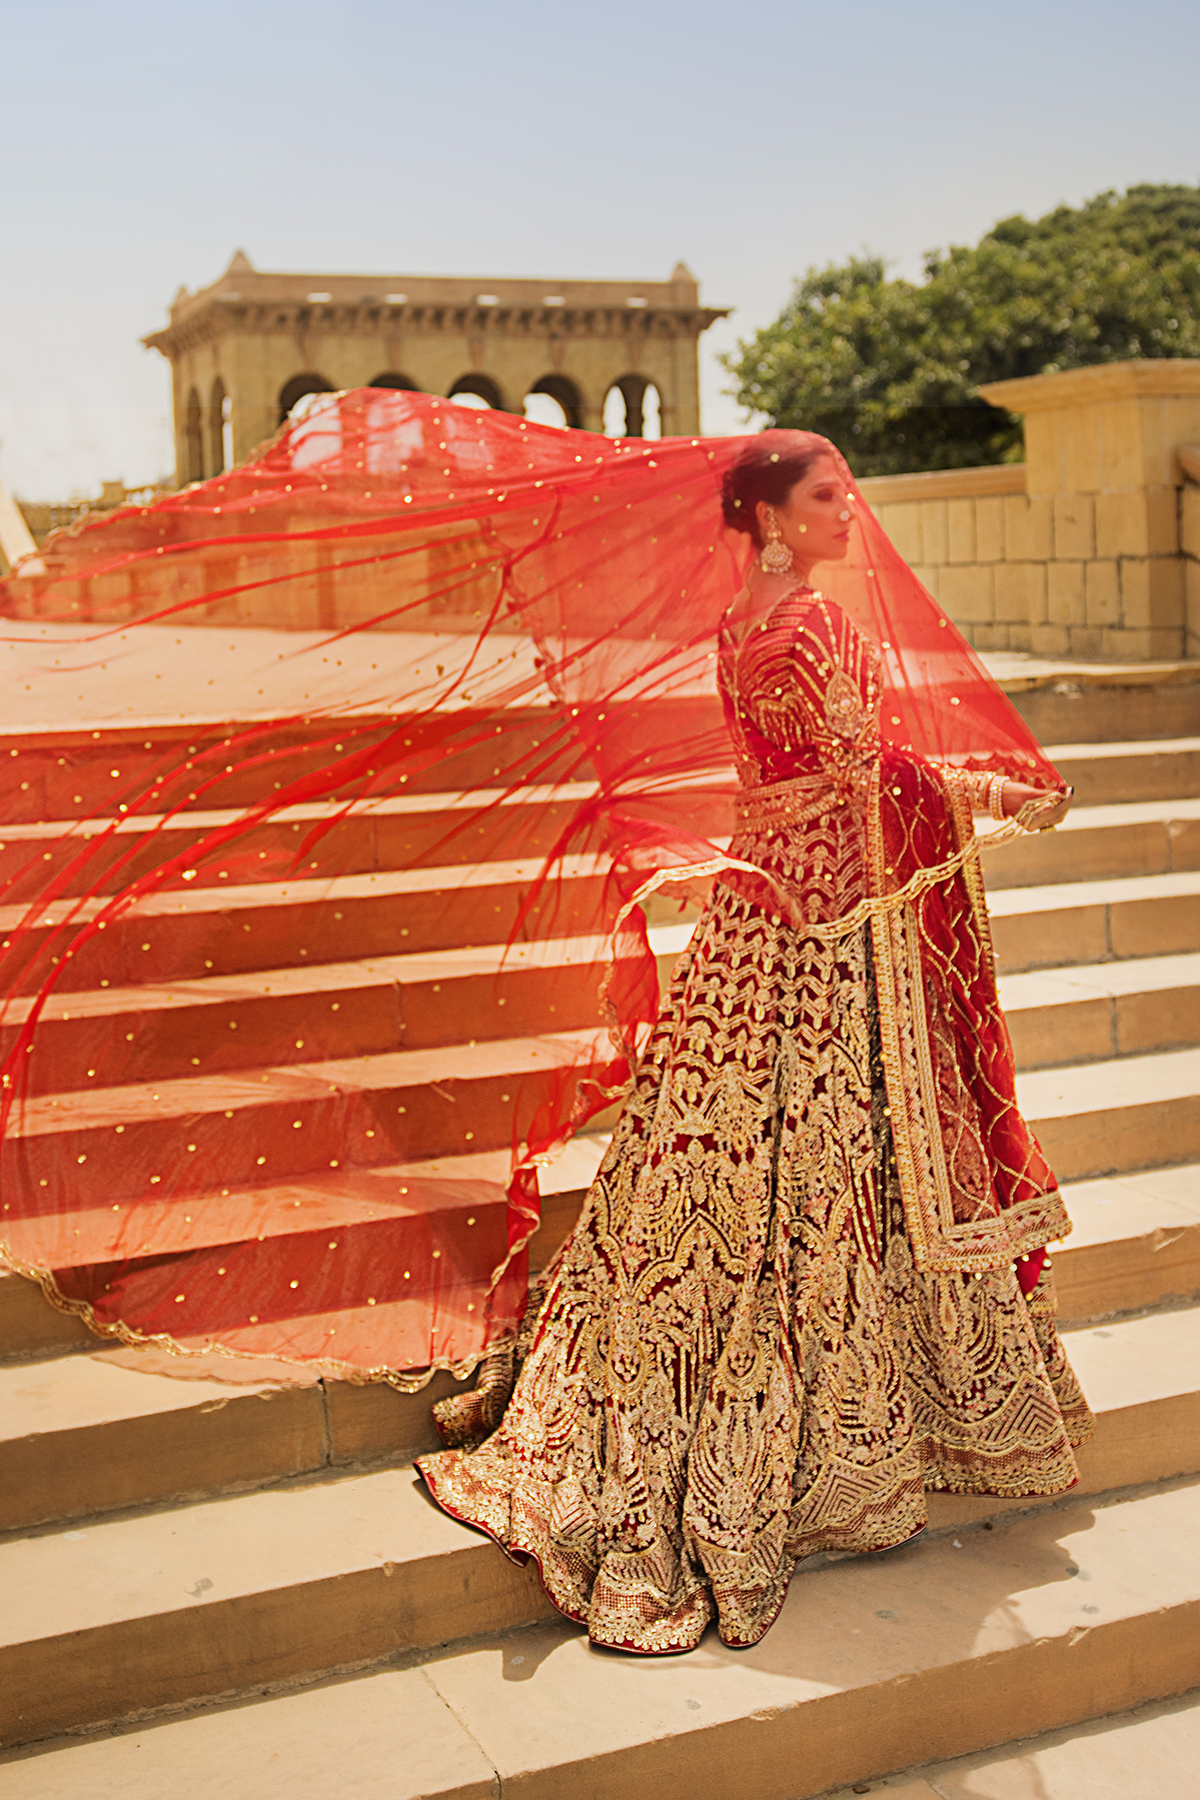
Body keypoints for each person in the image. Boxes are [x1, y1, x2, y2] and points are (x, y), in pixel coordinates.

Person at [416, 430, 1093, 1656]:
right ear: (774, 515)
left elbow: (808, 776)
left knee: (711, 1165)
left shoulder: (744, 615)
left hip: (751, 917)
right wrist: (988, 795)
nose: (853, 508)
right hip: (823, 933)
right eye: (828, 493)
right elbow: (860, 778)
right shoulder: (824, 622)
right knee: (819, 1168)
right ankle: (832, 1440)